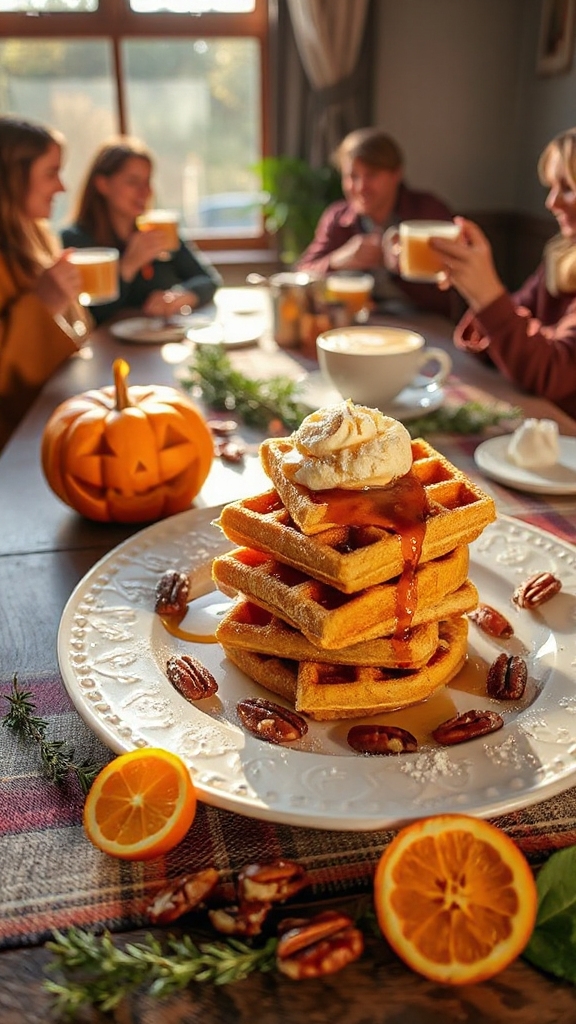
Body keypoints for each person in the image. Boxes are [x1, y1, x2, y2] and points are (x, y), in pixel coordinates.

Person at [430, 127, 576, 418]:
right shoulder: (561, 255)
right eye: (551, 187)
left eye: (568, 188)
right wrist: (472, 283)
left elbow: (552, 373)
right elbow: (494, 342)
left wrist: (489, 297)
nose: (551, 203)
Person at [296, 127, 455, 318]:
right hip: (358, 323)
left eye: (371, 175)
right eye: (352, 176)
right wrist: (338, 260)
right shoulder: (337, 218)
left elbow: (452, 295)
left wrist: (400, 269)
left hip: (423, 322)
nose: (361, 187)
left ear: (396, 174)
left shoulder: (428, 213)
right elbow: (302, 275)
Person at [62, 136, 222, 325]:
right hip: (107, 350)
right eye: (133, 182)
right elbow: (89, 315)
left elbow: (209, 280)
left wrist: (181, 296)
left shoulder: (159, 231)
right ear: (103, 185)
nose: (145, 191)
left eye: (147, 181)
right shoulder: (77, 242)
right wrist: (128, 265)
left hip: (164, 344)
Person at [0, 116, 89, 451]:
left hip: (50, 419)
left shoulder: (38, 235)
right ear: (11, 178)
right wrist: (42, 304)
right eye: (51, 173)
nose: (62, 187)